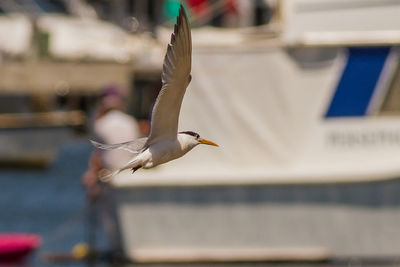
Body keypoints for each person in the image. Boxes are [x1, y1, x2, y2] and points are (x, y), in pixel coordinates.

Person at [82, 85, 141, 254]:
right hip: (130, 176)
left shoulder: (101, 123)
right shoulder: (131, 122)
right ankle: (128, 248)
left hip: (109, 176)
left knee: (110, 220)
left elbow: (98, 155)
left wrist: (91, 180)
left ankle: (116, 249)